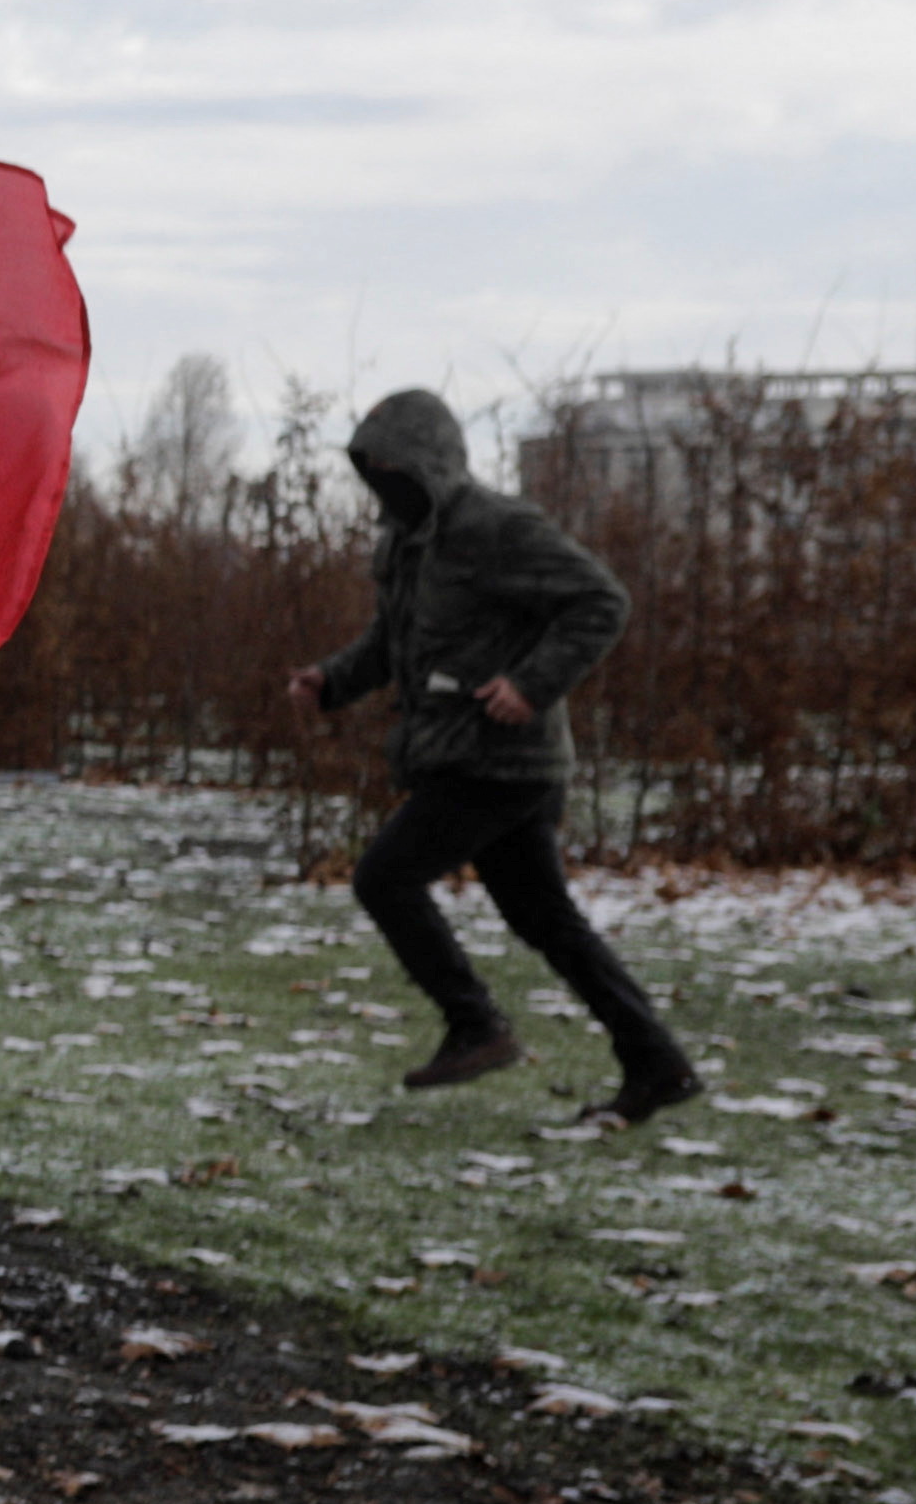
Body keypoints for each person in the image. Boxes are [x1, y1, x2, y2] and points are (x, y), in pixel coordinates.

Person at [287, 386, 701, 1128]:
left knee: (383, 878)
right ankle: (656, 1062)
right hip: (459, 758)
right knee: (547, 923)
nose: (378, 475)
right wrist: (331, 681)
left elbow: (599, 600)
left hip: (499, 760)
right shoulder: (404, 545)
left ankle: (476, 1025)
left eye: (391, 463)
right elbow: (390, 642)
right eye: (369, 465)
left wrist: (530, 686)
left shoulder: (497, 526)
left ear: (428, 462)